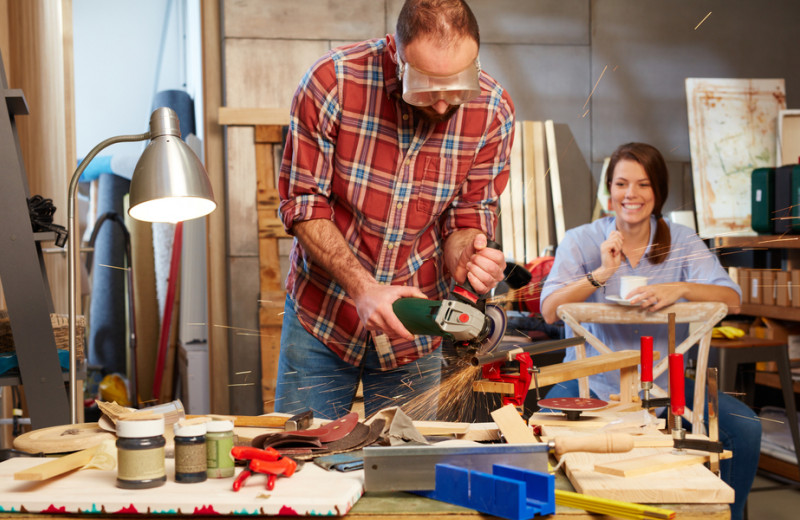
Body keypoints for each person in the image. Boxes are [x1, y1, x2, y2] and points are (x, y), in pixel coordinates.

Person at [276, 0, 515, 421]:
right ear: (396, 57)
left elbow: (467, 214)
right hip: (324, 317)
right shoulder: (332, 82)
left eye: (458, 85)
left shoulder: (493, 111)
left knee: (406, 470)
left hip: (415, 328)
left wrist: (466, 253)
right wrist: (362, 287)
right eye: (426, 86)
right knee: (303, 459)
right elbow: (304, 203)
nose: (442, 105)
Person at [540, 142, 760, 520]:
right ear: (609, 190)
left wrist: (683, 288)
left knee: (745, 428)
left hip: (670, 390)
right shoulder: (582, 240)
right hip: (590, 385)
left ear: (657, 192)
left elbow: (733, 300)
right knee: (543, 436)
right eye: (622, 183)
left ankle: (725, 514)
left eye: (643, 185)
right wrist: (603, 273)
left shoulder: (682, 240)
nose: (631, 194)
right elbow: (548, 311)